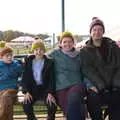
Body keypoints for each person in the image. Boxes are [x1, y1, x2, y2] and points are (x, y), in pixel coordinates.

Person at [80, 17, 120, 120]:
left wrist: (115, 85)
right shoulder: (85, 51)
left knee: (117, 97)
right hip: (98, 86)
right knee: (92, 98)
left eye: (100, 30)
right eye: (94, 30)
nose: (97, 32)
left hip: (114, 85)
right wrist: (101, 86)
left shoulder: (113, 47)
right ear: (90, 32)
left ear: (103, 32)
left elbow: (118, 66)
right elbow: (87, 70)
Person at [48, 31, 87, 120]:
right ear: (60, 44)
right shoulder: (55, 54)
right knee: (69, 109)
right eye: (64, 42)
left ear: (73, 43)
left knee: (73, 98)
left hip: (77, 85)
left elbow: (85, 71)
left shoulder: (79, 55)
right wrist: (30, 58)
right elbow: (40, 57)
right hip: (61, 87)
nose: (67, 44)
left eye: (70, 41)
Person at [22, 39, 57, 120]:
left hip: (45, 89)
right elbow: (25, 78)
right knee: (26, 105)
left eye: (41, 49)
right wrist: (26, 91)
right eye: (36, 49)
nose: (38, 51)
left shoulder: (49, 62)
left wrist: (50, 92)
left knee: (52, 105)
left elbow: (52, 79)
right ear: (33, 51)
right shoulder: (29, 61)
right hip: (32, 90)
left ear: (44, 50)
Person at [0, 44, 22, 120]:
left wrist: (20, 83)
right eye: (7, 56)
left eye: (11, 55)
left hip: (12, 90)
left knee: (6, 97)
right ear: (1, 57)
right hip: (1, 91)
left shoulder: (16, 66)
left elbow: (24, 76)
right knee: (6, 102)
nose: (9, 57)